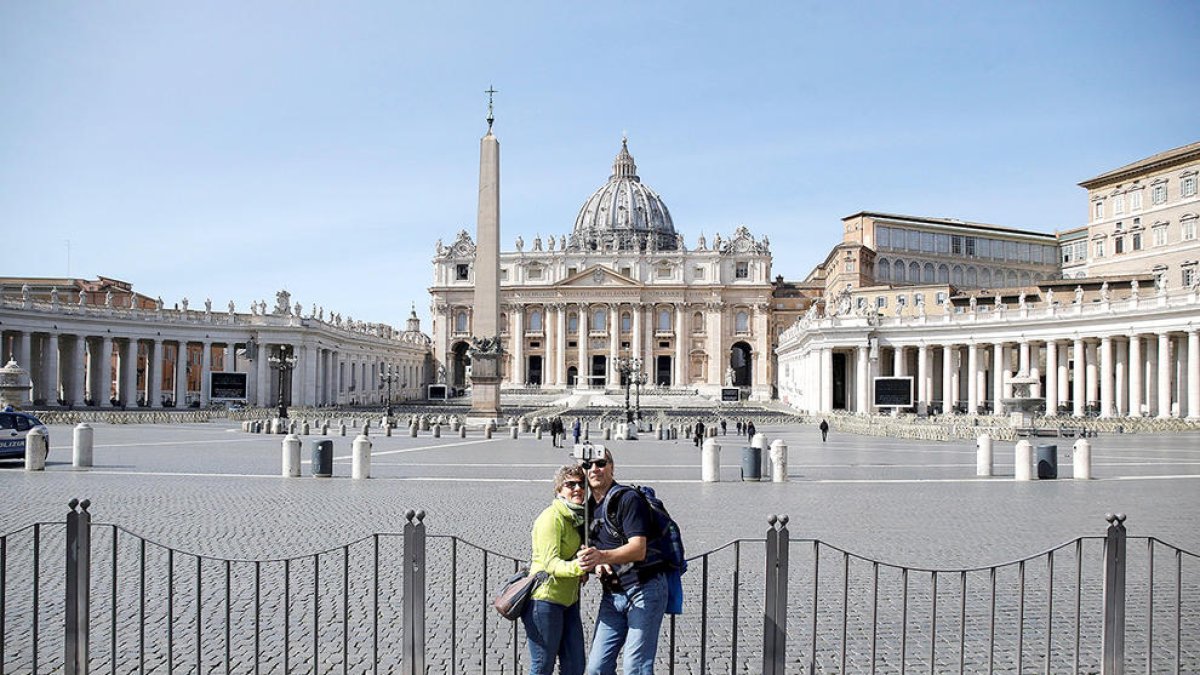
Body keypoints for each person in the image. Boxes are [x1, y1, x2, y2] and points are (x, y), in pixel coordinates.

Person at [578, 449, 668, 675]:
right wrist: (595, 564)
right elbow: (590, 548)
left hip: (644, 589)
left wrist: (602, 556)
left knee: (635, 668)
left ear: (612, 467)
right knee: (597, 668)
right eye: (588, 465)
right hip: (613, 594)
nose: (594, 469)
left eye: (600, 463)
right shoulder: (587, 508)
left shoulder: (628, 499)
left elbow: (638, 549)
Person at [524, 465, 591, 675]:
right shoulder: (551, 518)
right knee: (543, 665)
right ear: (559, 489)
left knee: (575, 665)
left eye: (582, 484)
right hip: (545, 600)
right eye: (570, 484)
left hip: (569, 601)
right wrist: (580, 567)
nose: (578, 488)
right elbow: (550, 564)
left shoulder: (577, 517)